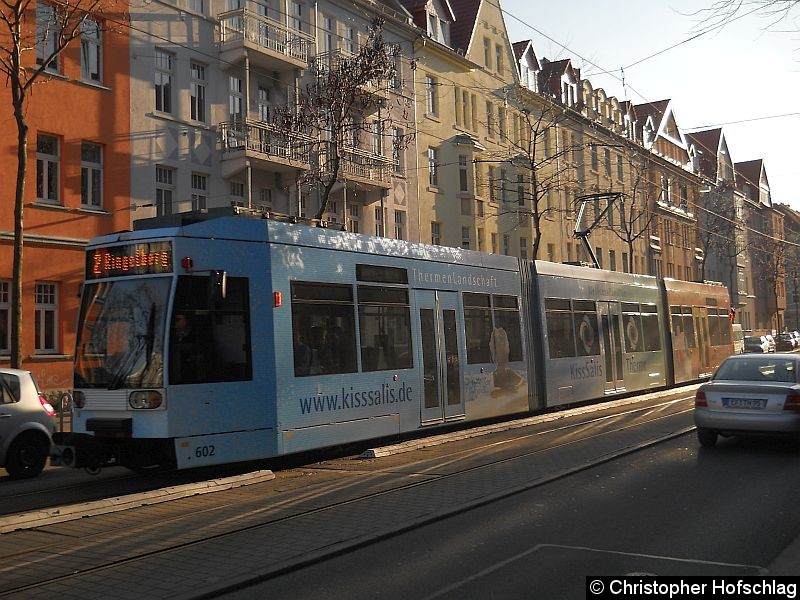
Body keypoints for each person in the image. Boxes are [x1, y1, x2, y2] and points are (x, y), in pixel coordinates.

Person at [171, 312, 201, 382]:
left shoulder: (196, 336)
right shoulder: (170, 336)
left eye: (178, 319)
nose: (175, 322)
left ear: (187, 320)